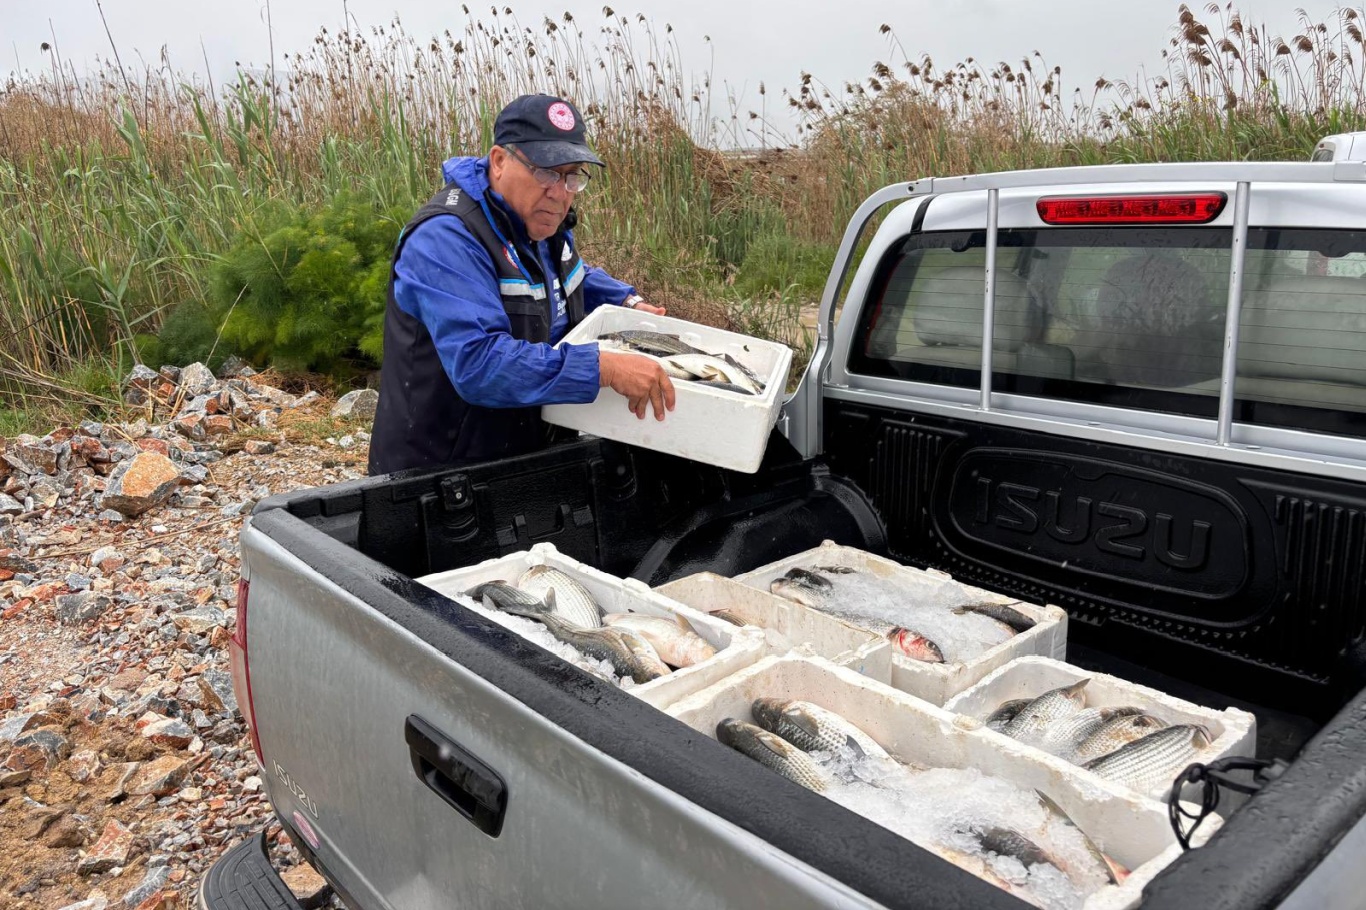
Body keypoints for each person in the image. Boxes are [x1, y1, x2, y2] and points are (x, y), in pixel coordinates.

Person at [368, 93, 675, 475]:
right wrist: (603, 369)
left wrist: (626, 300)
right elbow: (479, 364)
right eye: (546, 172)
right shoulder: (444, 239)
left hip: (521, 460)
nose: (560, 192)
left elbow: (568, 274)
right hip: (438, 478)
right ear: (499, 161)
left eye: (573, 175)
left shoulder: (535, 219)